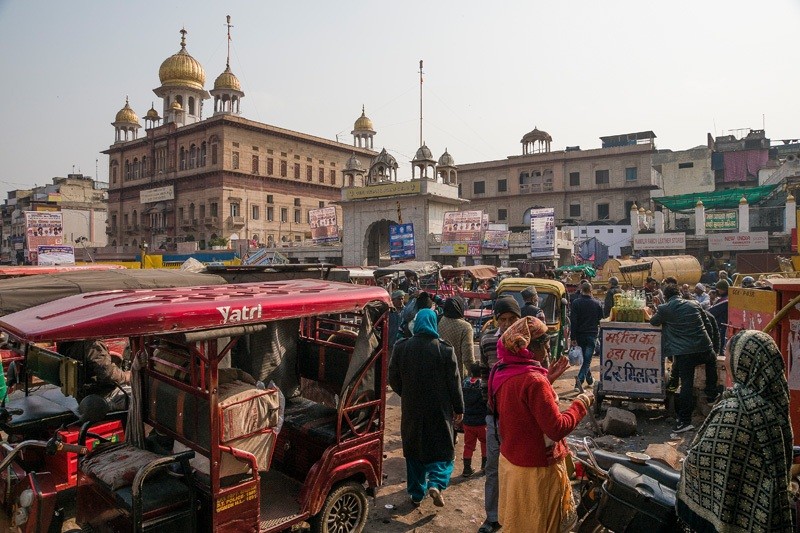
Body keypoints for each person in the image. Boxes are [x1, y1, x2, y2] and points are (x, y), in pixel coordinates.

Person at [676, 330, 793, 532]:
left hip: (736, 514)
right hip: (768, 510)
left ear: (744, 362)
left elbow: (702, 462)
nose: (727, 362)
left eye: (729, 355)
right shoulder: (777, 402)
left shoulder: (737, 411)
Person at [489, 316, 591, 533]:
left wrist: (548, 380)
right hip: (536, 469)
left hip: (512, 462)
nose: (548, 352)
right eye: (545, 346)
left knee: (519, 524)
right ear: (529, 349)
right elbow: (556, 429)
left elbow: (520, 407)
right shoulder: (534, 380)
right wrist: (581, 404)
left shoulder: (502, 369)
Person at [389, 308, 464, 507]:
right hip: (439, 410)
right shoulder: (445, 349)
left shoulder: (401, 346)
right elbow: (454, 383)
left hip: (412, 409)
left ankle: (416, 493)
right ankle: (437, 483)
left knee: (413, 450)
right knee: (443, 449)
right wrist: (459, 408)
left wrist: (406, 394)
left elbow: (393, 378)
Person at [477, 296, 521, 533]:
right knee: (493, 469)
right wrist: (490, 406)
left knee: (519, 468)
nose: (506, 324)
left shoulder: (527, 340)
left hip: (521, 418)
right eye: (502, 319)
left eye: (512, 319)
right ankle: (492, 517)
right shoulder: (487, 341)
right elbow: (484, 374)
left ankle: (517, 516)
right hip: (495, 417)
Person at [649, 285, 715, 433]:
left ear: (665, 296)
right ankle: (712, 395)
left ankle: (684, 421)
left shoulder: (665, 308)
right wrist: (711, 345)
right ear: (679, 294)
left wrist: (658, 307)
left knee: (686, 385)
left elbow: (653, 322)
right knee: (711, 363)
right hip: (705, 347)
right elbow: (708, 324)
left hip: (685, 353)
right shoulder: (695, 304)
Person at [59, 339, 131, 409]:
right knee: (139, 396)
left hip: (82, 395)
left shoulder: (70, 342)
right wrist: (126, 376)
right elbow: (108, 374)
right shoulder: (92, 345)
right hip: (101, 396)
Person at [569, 282, 603, 392]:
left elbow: (573, 322)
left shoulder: (576, 303)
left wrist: (573, 337)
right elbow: (601, 319)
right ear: (591, 290)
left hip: (580, 335)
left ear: (581, 290)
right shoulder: (597, 303)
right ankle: (578, 383)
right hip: (592, 335)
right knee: (587, 360)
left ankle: (588, 380)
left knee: (586, 359)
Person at [461, 362, 487, 478]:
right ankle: (485, 466)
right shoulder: (483, 384)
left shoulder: (465, 382)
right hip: (482, 422)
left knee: (468, 445)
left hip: (468, 422)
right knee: (485, 443)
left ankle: (467, 468)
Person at [439, 296, 475, 379]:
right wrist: (472, 373)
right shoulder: (465, 327)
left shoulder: (439, 320)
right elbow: (468, 358)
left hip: (439, 372)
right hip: (456, 373)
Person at [708, 279, 729, 354]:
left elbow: (711, 312)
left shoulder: (724, 301)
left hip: (721, 325)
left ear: (723, 289)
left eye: (718, 289)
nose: (718, 291)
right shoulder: (727, 299)